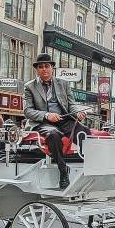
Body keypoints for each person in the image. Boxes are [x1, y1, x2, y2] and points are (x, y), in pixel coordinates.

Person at [24, 53, 88, 190]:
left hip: (64, 119)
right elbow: (28, 111)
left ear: (52, 67)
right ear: (37, 70)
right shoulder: (29, 87)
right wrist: (46, 115)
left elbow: (72, 104)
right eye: (40, 67)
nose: (44, 69)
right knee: (53, 134)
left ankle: (88, 164)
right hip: (43, 123)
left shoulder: (63, 84)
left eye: (47, 66)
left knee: (82, 132)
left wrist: (78, 112)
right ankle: (62, 169)